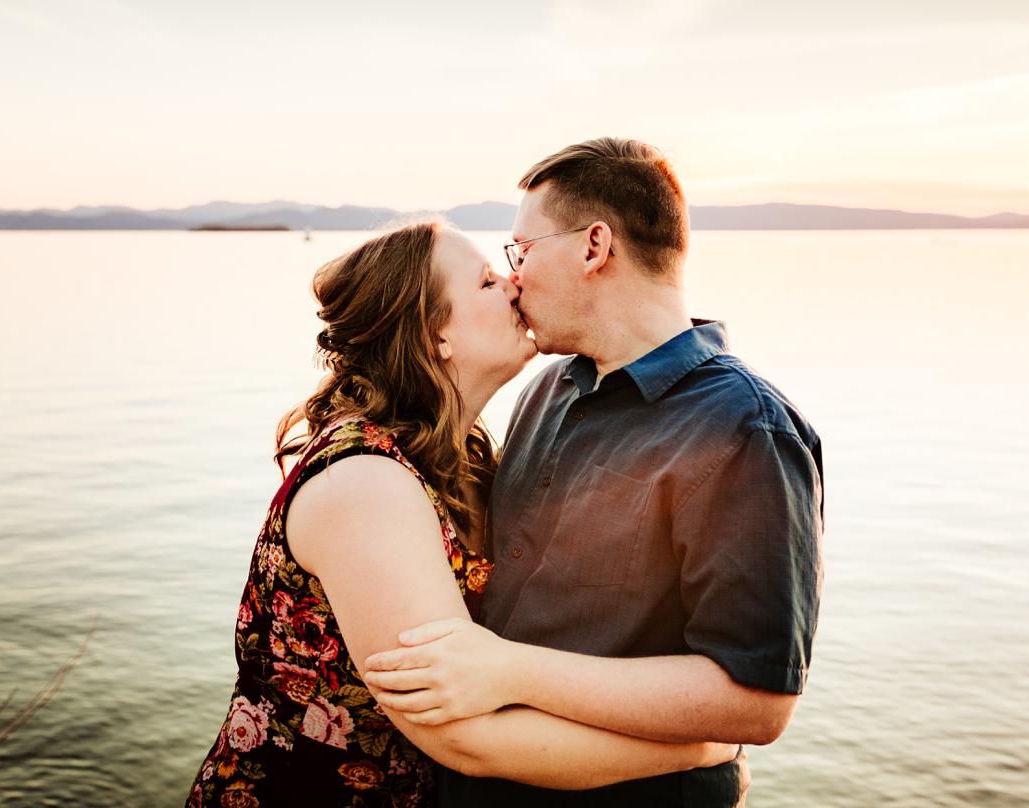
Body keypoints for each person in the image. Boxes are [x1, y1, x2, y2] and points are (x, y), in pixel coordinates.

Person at [184, 220, 739, 808]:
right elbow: (466, 740)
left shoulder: (467, 454)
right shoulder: (365, 485)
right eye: (484, 282)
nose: (513, 283)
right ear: (435, 335)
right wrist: (696, 751)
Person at [362, 139, 825, 807]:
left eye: (521, 252)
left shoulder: (744, 431)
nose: (513, 278)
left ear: (593, 247)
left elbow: (755, 703)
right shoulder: (548, 388)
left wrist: (510, 672)